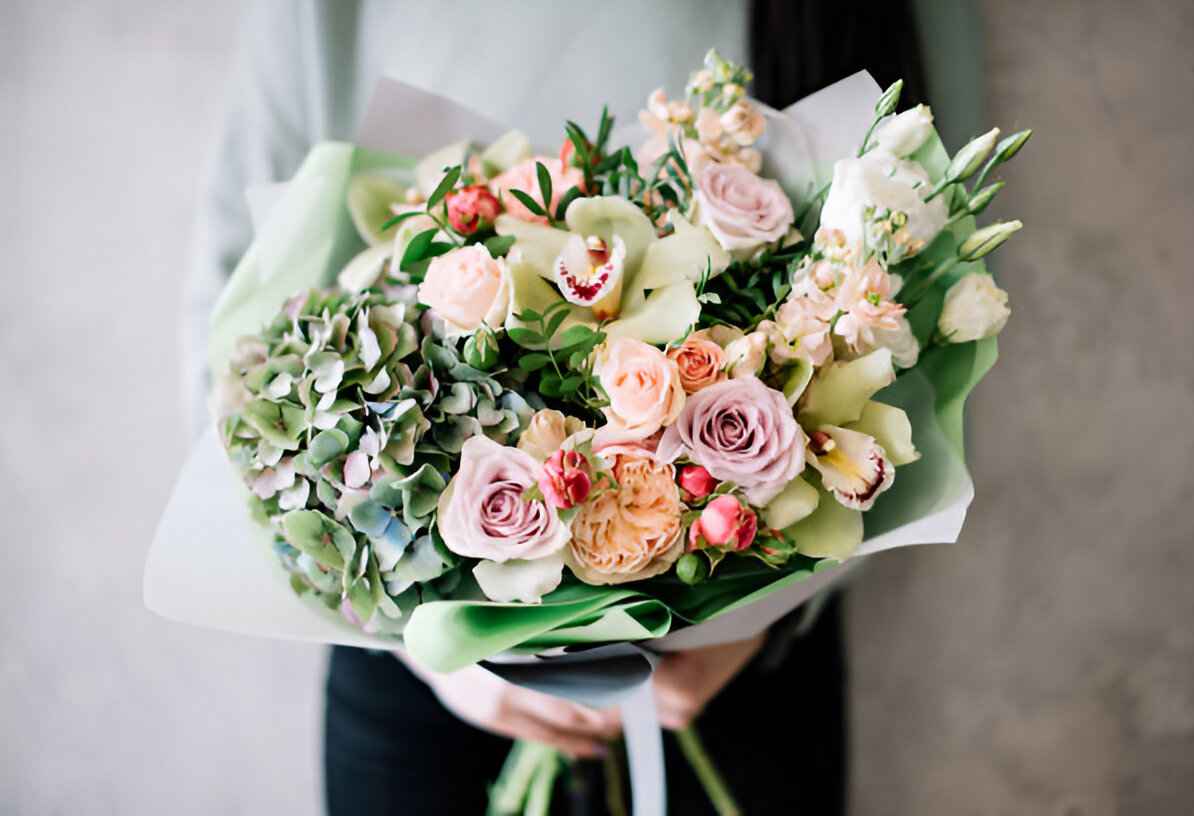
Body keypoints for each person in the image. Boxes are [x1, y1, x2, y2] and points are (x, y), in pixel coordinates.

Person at [188, 2, 936, 812]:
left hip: (739, 677)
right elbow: (237, 310)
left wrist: (766, 619)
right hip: (420, 686)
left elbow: (922, 278)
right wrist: (426, 647)